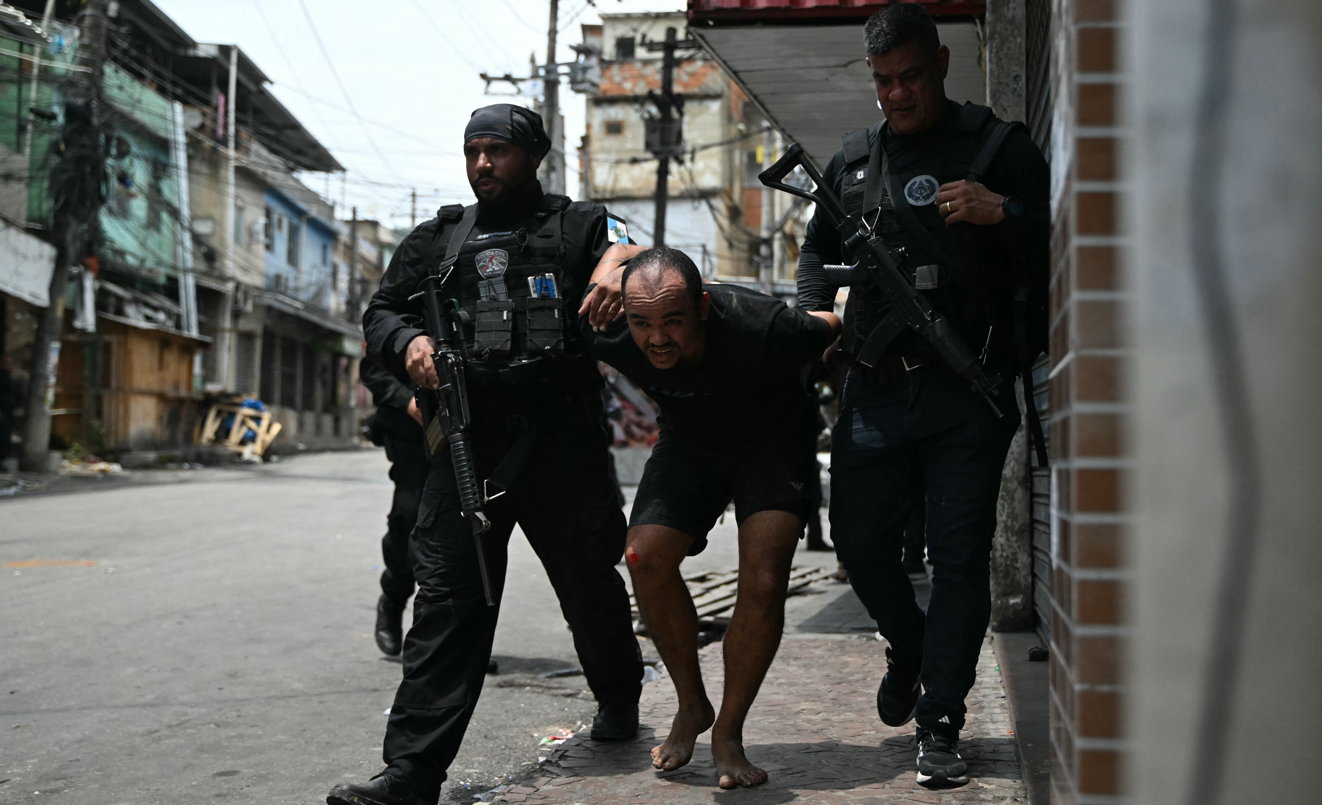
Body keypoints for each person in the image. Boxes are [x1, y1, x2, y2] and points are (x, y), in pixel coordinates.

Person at [328, 104, 645, 805]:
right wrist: (406, 342)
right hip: (467, 443)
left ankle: (619, 698)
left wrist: (620, 266)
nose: (481, 164)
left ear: (532, 155)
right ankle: (411, 773)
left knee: (590, 586)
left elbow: (634, 249)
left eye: (496, 150)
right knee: (445, 604)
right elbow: (382, 308)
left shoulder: (579, 224)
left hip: (561, 441)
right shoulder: (440, 238)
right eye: (472, 150)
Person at [794, 4, 1048, 788]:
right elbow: (815, 252)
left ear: (940, 62)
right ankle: (909, 646)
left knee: (960, 559)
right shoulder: (853, 162)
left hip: (965, 393)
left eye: (910, 76)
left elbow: (1065, 234)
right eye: (883, 83)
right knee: (862, 545)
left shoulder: (999, 148)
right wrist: (817, 316)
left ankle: (941, 720)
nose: (898, 95)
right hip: (873, 390)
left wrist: (1000, 210)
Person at [584, 247, 841, 789]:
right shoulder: (607, 328)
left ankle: (728, 731)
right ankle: (691, 704)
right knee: (642, 555)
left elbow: (832, 321)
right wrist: (609, 271)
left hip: (772, 442)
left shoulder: (763, 323)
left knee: (766, 579)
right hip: (691, 442)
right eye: (642, 323)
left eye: (672, 321)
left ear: (701, 306)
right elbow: (615, 247)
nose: (656, 339)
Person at [358, 355, 428, 656]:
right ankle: (393, 600)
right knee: (408, 518)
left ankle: (451, 634)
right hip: (410, 432)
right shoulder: (399, 310)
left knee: (462, 532)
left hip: (467, 431)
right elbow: (372, 369)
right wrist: (408, 401)